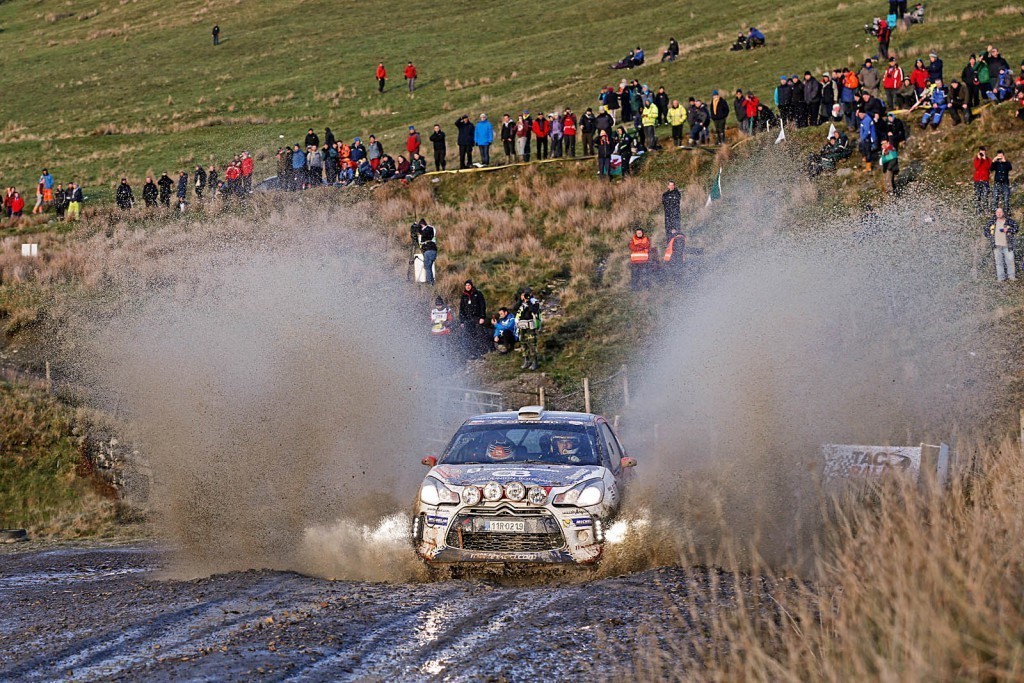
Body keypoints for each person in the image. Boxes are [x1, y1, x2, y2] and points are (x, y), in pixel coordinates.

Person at [984, 208, 1018, 282]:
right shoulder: (992, 221)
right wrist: (991, 237)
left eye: (1000, 212)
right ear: (995, 213)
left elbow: (1016, 228)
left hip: (1008, 245)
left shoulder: (1009, 221)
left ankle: (1011, 277)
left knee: (1010, 261)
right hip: (996, 245)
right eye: (997, 212)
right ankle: (1000, 278)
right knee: (999, 262)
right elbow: (985, 231)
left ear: (1003, 213)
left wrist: (1008, 230)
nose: (999, 213)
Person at [458, 280, 488, 357]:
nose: (468, 287)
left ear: (471, 285)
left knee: (479, 334)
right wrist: (462, 321)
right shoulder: (464, 295)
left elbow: (482, 305)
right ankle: (472, 352)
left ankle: (482, 351)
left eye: (469, 285)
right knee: (470, 335)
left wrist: (482, 317)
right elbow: (461, 309)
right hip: (468, 318)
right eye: (466, 285)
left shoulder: (478, 293)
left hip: (477, 317)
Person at [514, 287, 541, 370]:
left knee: (532, 344)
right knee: (523, 343)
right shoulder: (521, 303)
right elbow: (515, 308)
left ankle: (535, 361)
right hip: (522, 325)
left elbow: (534, 310)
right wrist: (520, 300)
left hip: (530, 325)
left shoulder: (534, 301)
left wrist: (528, 302)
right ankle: (526, 359)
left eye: (528, 294)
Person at [416, 218, 438, 284]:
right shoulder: (427, 230)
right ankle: (431, 282)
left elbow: (425, 233)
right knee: (429, 267)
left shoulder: (429, 229)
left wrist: (418, 229)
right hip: (430, 250)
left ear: (422, 225)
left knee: (427, 267)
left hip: (429, 250)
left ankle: (429, 282)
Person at [974, 146, 992, 214]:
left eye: (984, 150)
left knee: (985, 195)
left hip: (985, 179)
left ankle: (986, 209)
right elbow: (976, 167)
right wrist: (979, 159)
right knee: (978, 195)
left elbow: (989, 167)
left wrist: (984, 159)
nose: (982, 152)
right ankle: (978, 210)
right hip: (977, 180)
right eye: (981, 150)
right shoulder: (976, 159)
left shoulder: (988, 159)